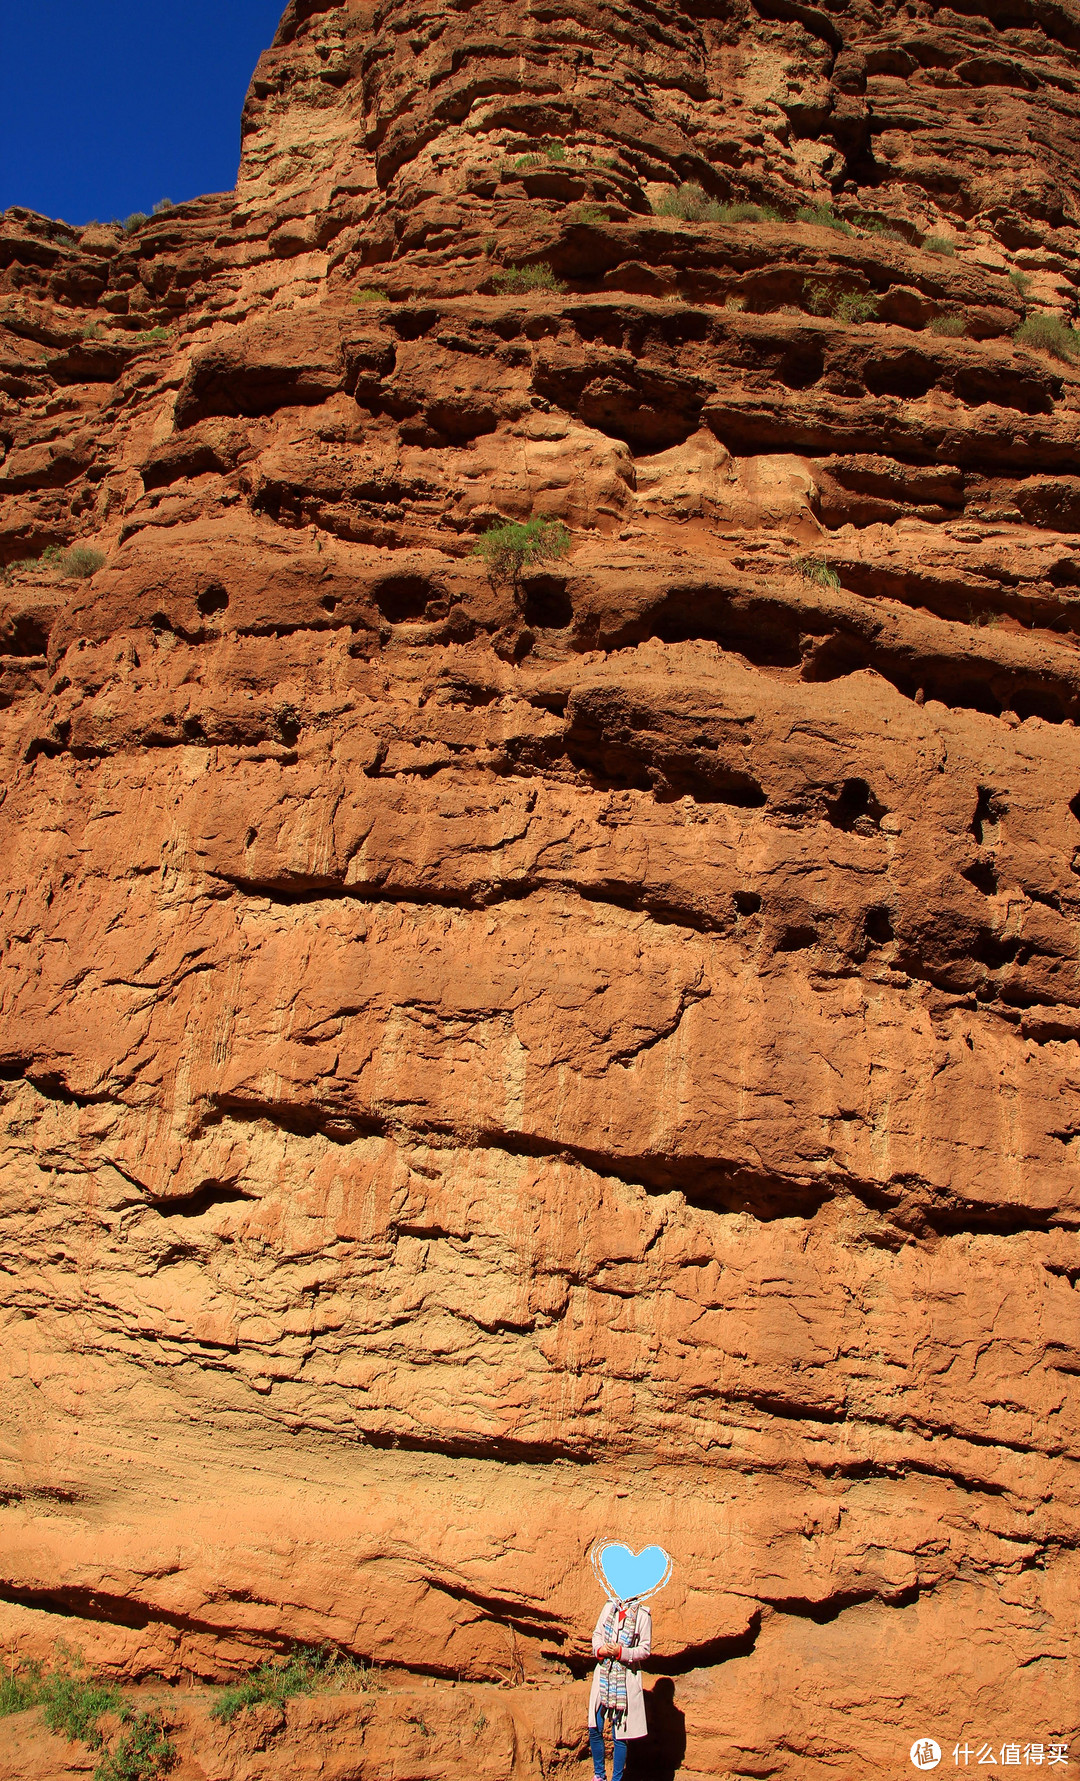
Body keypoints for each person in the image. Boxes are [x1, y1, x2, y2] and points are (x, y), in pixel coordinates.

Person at [588, 1593, 652, 1781]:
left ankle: (617, 1779)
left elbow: (645, 1649)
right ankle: (599, 1775)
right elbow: (597, 1634)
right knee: (595, 1726)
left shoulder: (642, 1615)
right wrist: (600, 1649)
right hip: (603, 1674)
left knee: (620, 1734)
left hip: (625, 1678)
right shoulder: (609, 1607)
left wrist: (622, 1652)